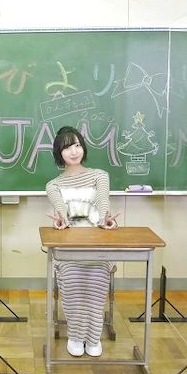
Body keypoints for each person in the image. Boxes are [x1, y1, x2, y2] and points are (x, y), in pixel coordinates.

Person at [45, 126, 118, 357]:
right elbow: (62, 214)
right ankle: (76, 337)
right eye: (67, 147)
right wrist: (60, 223)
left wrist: (107, 221)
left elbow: (103, 206)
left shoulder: (100, 176)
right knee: (72, 289)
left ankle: (94, 337)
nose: (74, 151)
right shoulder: (53, 185)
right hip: (69, 247)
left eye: (77, 145)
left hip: (97, 244)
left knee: (96, 289)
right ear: (59, 153)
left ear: (83, 148)